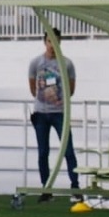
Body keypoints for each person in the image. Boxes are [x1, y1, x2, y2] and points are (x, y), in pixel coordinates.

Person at [28, 28, 80, 203]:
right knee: (43, 152)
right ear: (45, 42)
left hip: (60, 112)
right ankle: (46, 187)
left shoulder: (67, 64)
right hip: (41, 112)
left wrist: (58, 98)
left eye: (55, 41)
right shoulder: (36, 63)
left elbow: (71, 89)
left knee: (68, 150)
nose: (52, 45)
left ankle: (75, 186)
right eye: (49, 41)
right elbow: (32, 87)